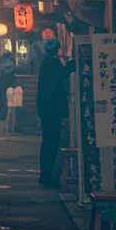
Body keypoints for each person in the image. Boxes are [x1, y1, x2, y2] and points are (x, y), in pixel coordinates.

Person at [36, 34, 75, 186]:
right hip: (52, 111)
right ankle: (46, 176)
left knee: (48, 142)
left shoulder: (46, 62)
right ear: (58, 50)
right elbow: (63, 72)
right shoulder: (52, 63)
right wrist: (73, 63)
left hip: (47, 110)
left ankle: (45, 174)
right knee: (51, 142)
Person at [0, 51, 17, 121]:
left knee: (2, 100)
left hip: (0, 84)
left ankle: (2, 115)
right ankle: (8, 115)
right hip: (8, 84)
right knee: (8, 100)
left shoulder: (1, 61)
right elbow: (13, 71)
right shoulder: (11, 61)